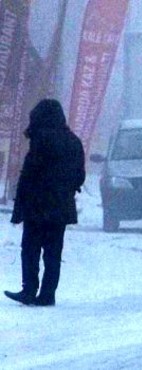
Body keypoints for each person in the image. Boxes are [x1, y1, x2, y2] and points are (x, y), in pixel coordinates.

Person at [4, 99, 85, 307]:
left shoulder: (41, 140)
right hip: (61, 207)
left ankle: (29, 289)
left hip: (37, 205)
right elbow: (80, 176)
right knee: (53, 253)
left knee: (30, 249)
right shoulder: (74, 141)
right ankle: (48, 294)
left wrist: (20, 204)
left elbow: (30, 173)